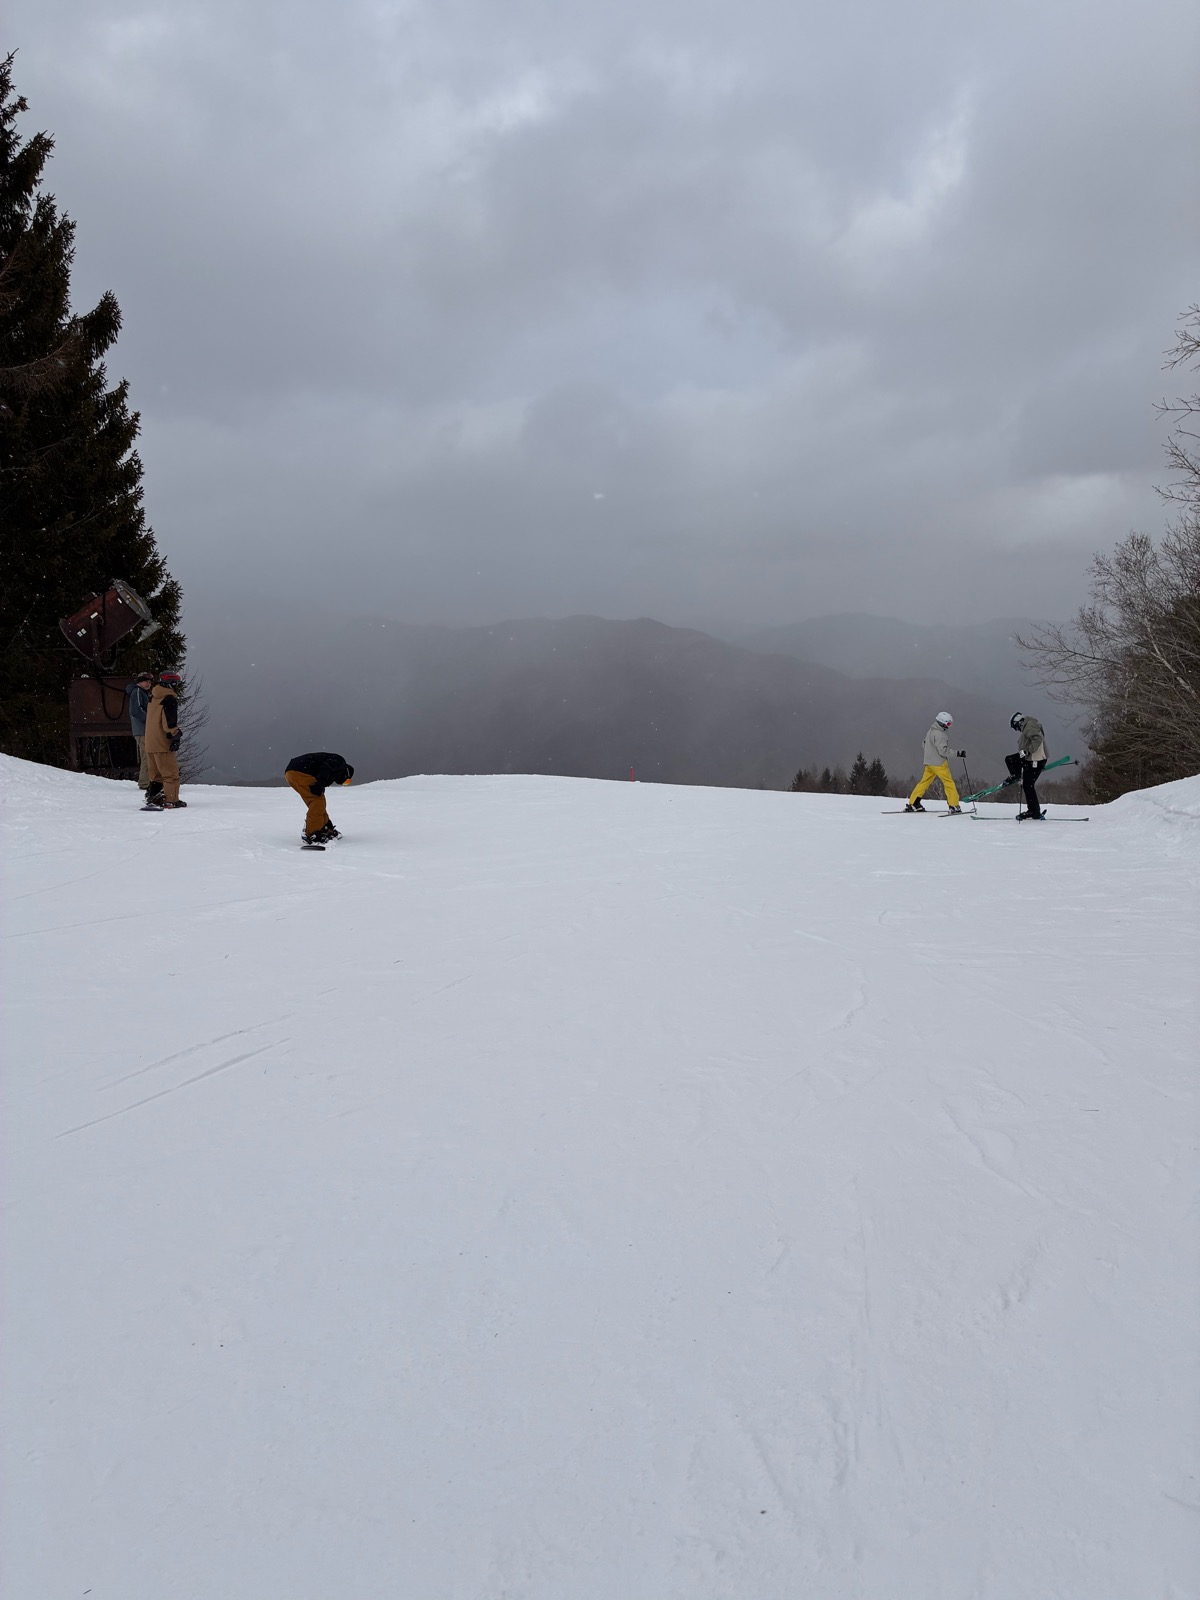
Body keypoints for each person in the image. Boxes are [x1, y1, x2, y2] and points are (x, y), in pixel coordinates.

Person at [284, 752, 354, 844]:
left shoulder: (334, 768)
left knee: (318, 801)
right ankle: (313, 834)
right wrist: (320, 783)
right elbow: (326, 767)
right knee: (317, 802)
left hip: (291, 773)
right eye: (346, 781)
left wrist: (328, 823)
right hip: (302, 772)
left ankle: (324, 827)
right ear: (346, 774)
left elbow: (324, 769)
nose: (342, 783)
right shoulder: (340, 762)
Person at [905, 711, 967, 813]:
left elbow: (924, 744)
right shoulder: (940, 734)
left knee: (924, 782)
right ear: (942, 722)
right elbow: (943, 751)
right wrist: (958, 753)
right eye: (948, 724)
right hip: (939, 763)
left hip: (929, 762)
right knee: (949, 783)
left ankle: (913, 803)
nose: (949, 726)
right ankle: (954, 805)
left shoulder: (931, 730)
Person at [143, 670, 186, 809]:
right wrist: (175, 735)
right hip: (162, 742)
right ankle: (171, 800)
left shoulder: (153, 697)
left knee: (155, 775)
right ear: (171, 683)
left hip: (150, 741)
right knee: (171, 774)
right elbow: (169, 723)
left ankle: (153, 797)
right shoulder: (169, 699)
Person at [1006, 713, 1048, 820]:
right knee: (1010, 759)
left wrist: (1028, 751)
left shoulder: (1029, 726)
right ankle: (1015, 775)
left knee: (1028, 785)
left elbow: (1037, 738)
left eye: (1016, 727)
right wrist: (1025, 752)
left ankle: (1034, 812)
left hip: (1035, 760)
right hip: (1030, 758)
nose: (1017, 730)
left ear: (1018, 722)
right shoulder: (1028, 725)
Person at [124, 671, 153, 789]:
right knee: (147, 756)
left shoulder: (142, 692)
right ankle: (144, 783)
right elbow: (137, 711)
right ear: (140, 682)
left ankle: (148, 781)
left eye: (150, 682)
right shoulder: (137, 692)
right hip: (142, 730)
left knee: (148, 756)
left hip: (143, 730)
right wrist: (150, 720)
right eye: (146, 681)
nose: (148, 684)